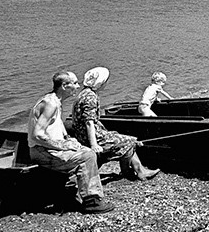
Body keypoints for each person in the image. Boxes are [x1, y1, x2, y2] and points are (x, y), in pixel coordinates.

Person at [28, 71, 115, 214]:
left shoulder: (55, 100)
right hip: (42, 152)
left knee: (82, 149)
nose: (78, 86)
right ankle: (92, 201)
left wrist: (69, 140)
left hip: (46, 149)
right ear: (64, 86)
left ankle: (72, 191)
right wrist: (63, 146)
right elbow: (37, 134)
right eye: (74, 83)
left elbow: (57, 127)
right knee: (88, 156)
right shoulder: (50, 104)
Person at [72, 67, 160, 180]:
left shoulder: (83, 93)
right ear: (100, 83)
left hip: (81, 134)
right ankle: (133, 171)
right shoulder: (91, 97)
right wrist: (94, 144)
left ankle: (135, 170)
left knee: (123, 137)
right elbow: (89, 122)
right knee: (130, 141)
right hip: (91, 137)